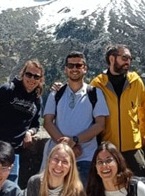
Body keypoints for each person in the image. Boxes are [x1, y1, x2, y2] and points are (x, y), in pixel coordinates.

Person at [42, 51, 109, 185]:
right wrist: (67, 147)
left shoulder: (95, 93)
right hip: (58, 157)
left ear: (85, 68)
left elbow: (100, 124)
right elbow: (47, 122)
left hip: (85, 157)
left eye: (78, 65)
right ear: (65, 69)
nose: (74, 69)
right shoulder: (56, 93)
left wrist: (75, 140)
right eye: (70, 66)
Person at [0, 60, 44, 183]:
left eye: (36, 76)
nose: (32, 79)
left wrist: (29, 132)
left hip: (13, 153)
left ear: (40, 79)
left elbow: (36, 124)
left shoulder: (37, 99)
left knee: (9, 191)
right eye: (29, 74)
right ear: (22, 74)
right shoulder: (7, 89)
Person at [91, 44, 145, 173]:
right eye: (124, 58)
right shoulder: (97, 84)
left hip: (133, 147)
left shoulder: (136, 81)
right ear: (112, 59)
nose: (128, 62)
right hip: (107, 147)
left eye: (130, 58)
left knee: (139, 184)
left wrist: (143, 133)